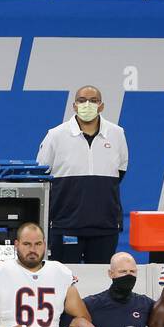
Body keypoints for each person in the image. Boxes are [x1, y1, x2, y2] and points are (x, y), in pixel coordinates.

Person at [35, 85, 128, 264]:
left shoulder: (117, 134)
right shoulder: (56, 135)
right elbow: (42, 175)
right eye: (82, 100)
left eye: (93, 101)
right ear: (74, 105)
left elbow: (120, 172)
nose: (87, 104)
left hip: (105, 226)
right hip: (66, 225)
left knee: (100, 280)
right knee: (64, 279)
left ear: (101, 106)